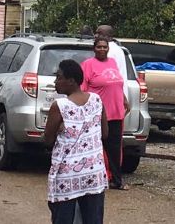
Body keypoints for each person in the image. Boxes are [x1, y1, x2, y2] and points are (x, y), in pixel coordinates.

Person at [44, 59, 108, 224]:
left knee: (63, 218)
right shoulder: (96, 99)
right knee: (93, 219)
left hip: (68, 175)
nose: (55, 81)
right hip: (94, 172)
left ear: (71, 81)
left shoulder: (59, 106)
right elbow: (105, 133)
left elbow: (48, 140)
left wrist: (60, 130)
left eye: (59, 77)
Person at [81, 36, 129, 190]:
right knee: (96, 147)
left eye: (104, 47)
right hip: (98, 114)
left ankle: (117, 180)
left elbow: (117, 84)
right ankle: (94, 179)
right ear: (93, 49)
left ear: (108, 48)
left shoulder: (113, 62)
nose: (102, 49)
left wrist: (124, 99)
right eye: (99, 47)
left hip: (116, 113)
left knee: (115, 149)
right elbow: (83, 89)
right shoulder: (88, 65)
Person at [94, 25, 129, 99]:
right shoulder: (118, 49)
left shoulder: (107, 51)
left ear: (108, 36)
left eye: (99, 33)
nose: (95, 35)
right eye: (96, 33)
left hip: (110, 94)